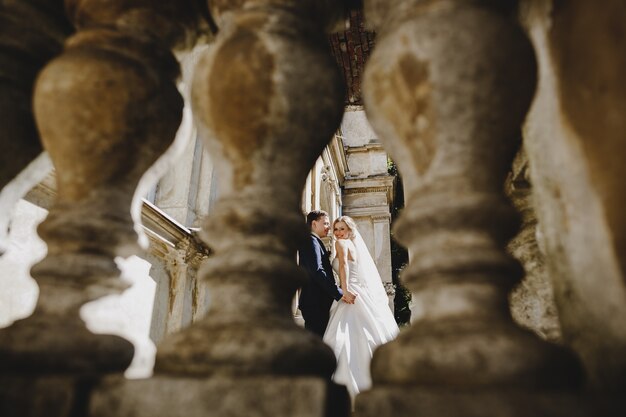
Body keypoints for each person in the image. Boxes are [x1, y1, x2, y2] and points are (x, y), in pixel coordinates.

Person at [323, 215, 399, 402]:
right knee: (365, 332)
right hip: (361, 292)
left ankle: (348, 382)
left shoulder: (342, 244)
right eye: (336, 228)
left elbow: (343, 267)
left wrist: (345, 290)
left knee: (344, 334)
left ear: (349, 230)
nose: (339, 232)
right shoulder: (354, 246)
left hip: (351, 292)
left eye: (342, 228)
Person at [298, 210, 357, 337]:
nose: (329, 227)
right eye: (325, 223)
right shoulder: (310, 240)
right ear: (314, 224)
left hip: (318, 302)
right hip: (315, 303)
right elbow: (317, 271)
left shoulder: (314, 241)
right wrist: (339, 292)